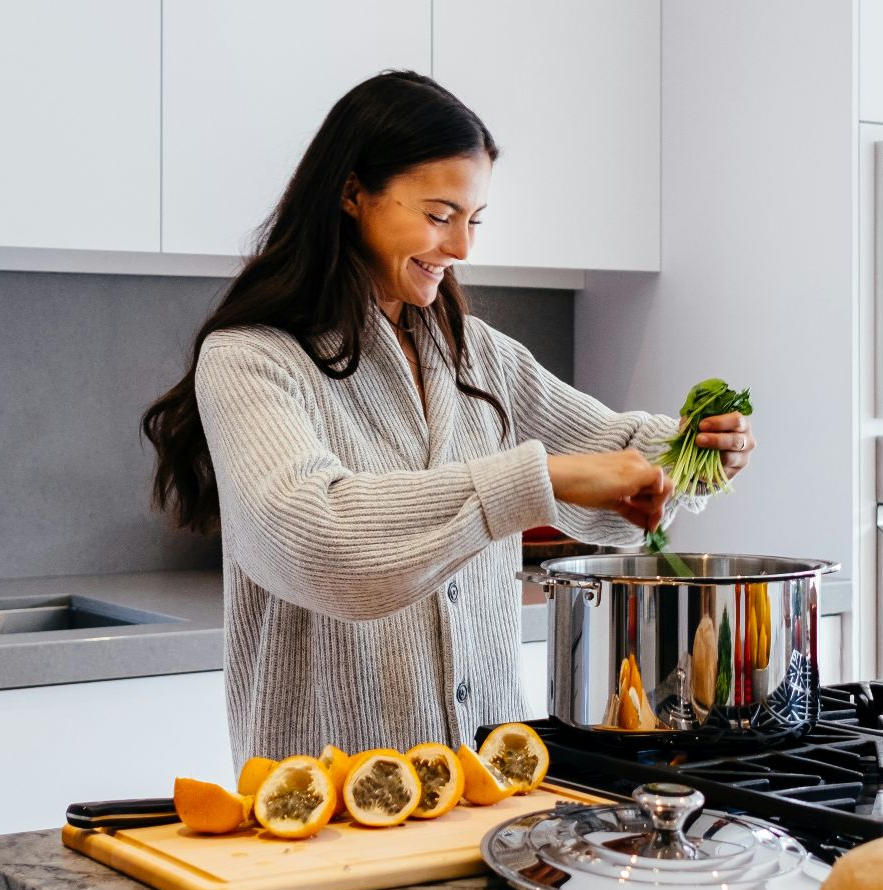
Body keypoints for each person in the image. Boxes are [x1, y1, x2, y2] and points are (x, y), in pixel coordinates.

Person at [141, 71, 755, 761]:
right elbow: (314, 538)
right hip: (329, 801)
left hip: (494, 784)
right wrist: (535, 480)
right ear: (351, 194)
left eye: (474, 219)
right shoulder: (252, 359)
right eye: (439, 215)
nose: (462, 248)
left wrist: (692, 452)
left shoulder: (476, 353)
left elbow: (612, 451)